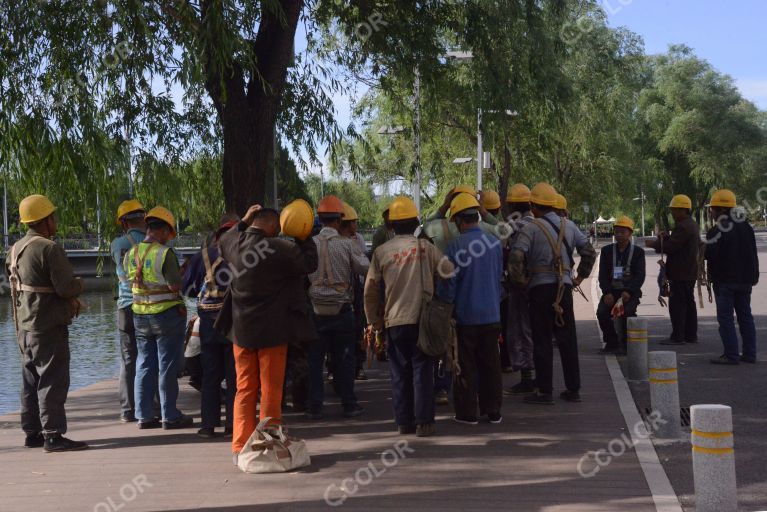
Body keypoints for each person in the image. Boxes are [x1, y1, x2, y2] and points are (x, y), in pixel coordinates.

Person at [215, 203, 318, 465]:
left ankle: (240, 446)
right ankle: (268, 443)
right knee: (271, 389)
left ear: (253, 222)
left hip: (240, 331)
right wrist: (303, 236)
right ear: (273, 225)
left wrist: (243, 220)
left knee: (244, 388)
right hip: (272, 333)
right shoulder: (279, 249)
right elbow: (309, 263)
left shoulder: (234, 245)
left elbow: (223, 238)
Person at [365, 197, 452, 436]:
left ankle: (404, 422)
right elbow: (449, 270)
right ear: (416, 222)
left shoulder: (381, 252)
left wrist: (374, 321)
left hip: (394, 321)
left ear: (391, 226)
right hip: (422, 320)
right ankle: (425, 422)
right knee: (422, 369)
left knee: (399, 372)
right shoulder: (426, 248)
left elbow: (371, 289)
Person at [8, 194, 87, 452]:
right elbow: (65, 288)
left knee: (30, 380)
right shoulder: (49, 248)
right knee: (52, 379)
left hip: (25, 327)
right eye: (53, 217)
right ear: (45, 220)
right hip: (48, 325)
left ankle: (32, 433)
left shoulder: (16, 248)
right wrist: (80, 284)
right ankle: (53, 435)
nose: (56, 222)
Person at [509, 183, 596, 405]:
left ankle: (544, 391)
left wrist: (521, 281)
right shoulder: (570, 226)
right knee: (567, 339)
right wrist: (579, 278)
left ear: (533, 205)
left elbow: (516, 256)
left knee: (542, 340)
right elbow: (589, 252)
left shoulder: (531, 228)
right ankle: (573, 389)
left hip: (539, 290)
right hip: (563, 289)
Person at [124, 206, 193, 430]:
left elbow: (133, 282)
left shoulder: (130, 254)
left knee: (144, 364)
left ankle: (143, 415)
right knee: (167, 365)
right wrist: (182, 272)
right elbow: (174, 285)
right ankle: (169, 415)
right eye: (168, 233)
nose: (168, 238)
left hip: (140, 315)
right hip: (166, 316)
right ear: (163, 230)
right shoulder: (164, 253)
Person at [438, 193, 504, 425]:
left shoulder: (454, 247)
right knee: (491, 364)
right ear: (476, 217)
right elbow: (498, 278)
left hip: (466, 317)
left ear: (457, 220)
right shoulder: (495, 244)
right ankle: (493, 410)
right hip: (492, 314)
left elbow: (448, 284)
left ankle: (467, 413)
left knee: (465, 365)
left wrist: (447, 309)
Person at [307, 195, 370, 419]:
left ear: (320, 219)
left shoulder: (310, 245)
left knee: (314, 361)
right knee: (345, 359)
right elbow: (366, 269)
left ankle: (314, 406)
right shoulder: (347, 244)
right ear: (339, 219)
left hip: (315, 311)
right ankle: (349, 404)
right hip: (342, 310)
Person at [182, 216, 239, 437]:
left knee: (210, 376)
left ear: (216, 236)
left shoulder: (199, 258)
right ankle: (233, 425)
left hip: (207, 323)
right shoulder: (243, 255)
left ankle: (208, 425)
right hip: (233, 322)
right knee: (234, 377)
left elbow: (187, 291)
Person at [705, 190, 759, 364]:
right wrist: (754, 276)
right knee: (745, 317)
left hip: (725, 281)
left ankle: (731, 355)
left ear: (720, 209)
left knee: (726, 318)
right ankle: (750, 354)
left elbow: (710, 255)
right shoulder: (746, 226)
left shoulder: (716, 230)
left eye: (712, 209)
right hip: (745, 281)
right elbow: (753, 253)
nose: (710, 213)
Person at [645, 195, 700, 345]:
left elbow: (671, 247)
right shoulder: (690, 224)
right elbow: (678, 244)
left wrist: (653, 244)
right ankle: (690, 335)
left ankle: (678, 336)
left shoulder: (684, 226)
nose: (673, 213)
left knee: (677, 306)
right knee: (689, 304)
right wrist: (667, 237)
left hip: (681, 272)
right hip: (688, 271)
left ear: (683, 210)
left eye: (675, 210)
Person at [111, 199, 147, 423]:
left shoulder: (117, 244)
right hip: (151, 306)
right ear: (143, 219)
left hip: (125, 305)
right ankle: (151, 405)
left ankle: (127, 410)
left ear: (124, 223)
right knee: (150, 356)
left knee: (128, 359)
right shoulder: (157, 242)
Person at [503, 184, 536, 394]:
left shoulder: (515, 225)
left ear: (513, 204)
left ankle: (527, 378)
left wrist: (517, 281)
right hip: (538, 284)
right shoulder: (538, 223)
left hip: (521, 286)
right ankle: (535, 377)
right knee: (533, 330)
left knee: (520, 331)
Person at [597, 216, 646, 355]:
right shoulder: (606, 251)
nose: (619, 234)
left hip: (629, 293)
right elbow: (603, 275)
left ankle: (626, 343)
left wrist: (629, 291)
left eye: (622, 232)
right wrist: (607, 292)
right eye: (617, 231)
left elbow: (640, 276)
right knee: (602, 313)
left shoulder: (638, 252)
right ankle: (611, 342)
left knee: (628, 313)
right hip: (611, 291)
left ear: (630, 233)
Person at [338, 202, 368, 381]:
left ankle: (358, 365)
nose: (356, 226)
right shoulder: (339, 242)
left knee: (358, 328)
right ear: (346, 223)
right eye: (354, 222)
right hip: (342, 292)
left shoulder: (358, 239)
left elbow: (363, 261)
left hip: (356, 288)